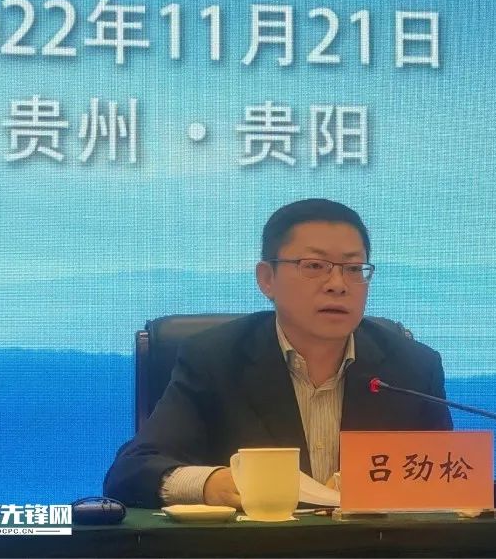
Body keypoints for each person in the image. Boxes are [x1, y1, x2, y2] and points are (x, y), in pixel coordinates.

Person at [104, 199, 451, 508]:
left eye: (353, 268)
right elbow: (131, 471)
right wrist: (211, 484)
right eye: (314, 266)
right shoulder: (214, 359)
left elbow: (449, 481)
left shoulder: (413, 367)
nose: (338, 284)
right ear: (267, 279)